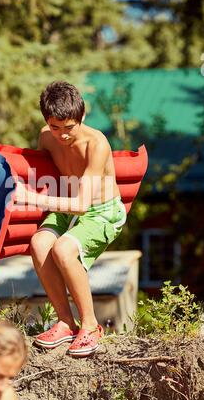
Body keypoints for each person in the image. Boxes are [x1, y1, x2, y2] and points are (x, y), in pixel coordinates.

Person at [14, 81, 127, 357]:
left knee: (63, 249)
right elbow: (40, 174)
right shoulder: (45, 137)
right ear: (46, 122)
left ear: (82, 117)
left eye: (69, 128)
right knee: (40, 243)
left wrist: (33, 199)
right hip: (66, 206)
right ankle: (66, 322)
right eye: (55, 127)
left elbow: (81, 205)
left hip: (100, 212)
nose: (62, 136)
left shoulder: (96, 143)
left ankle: (90, 325)